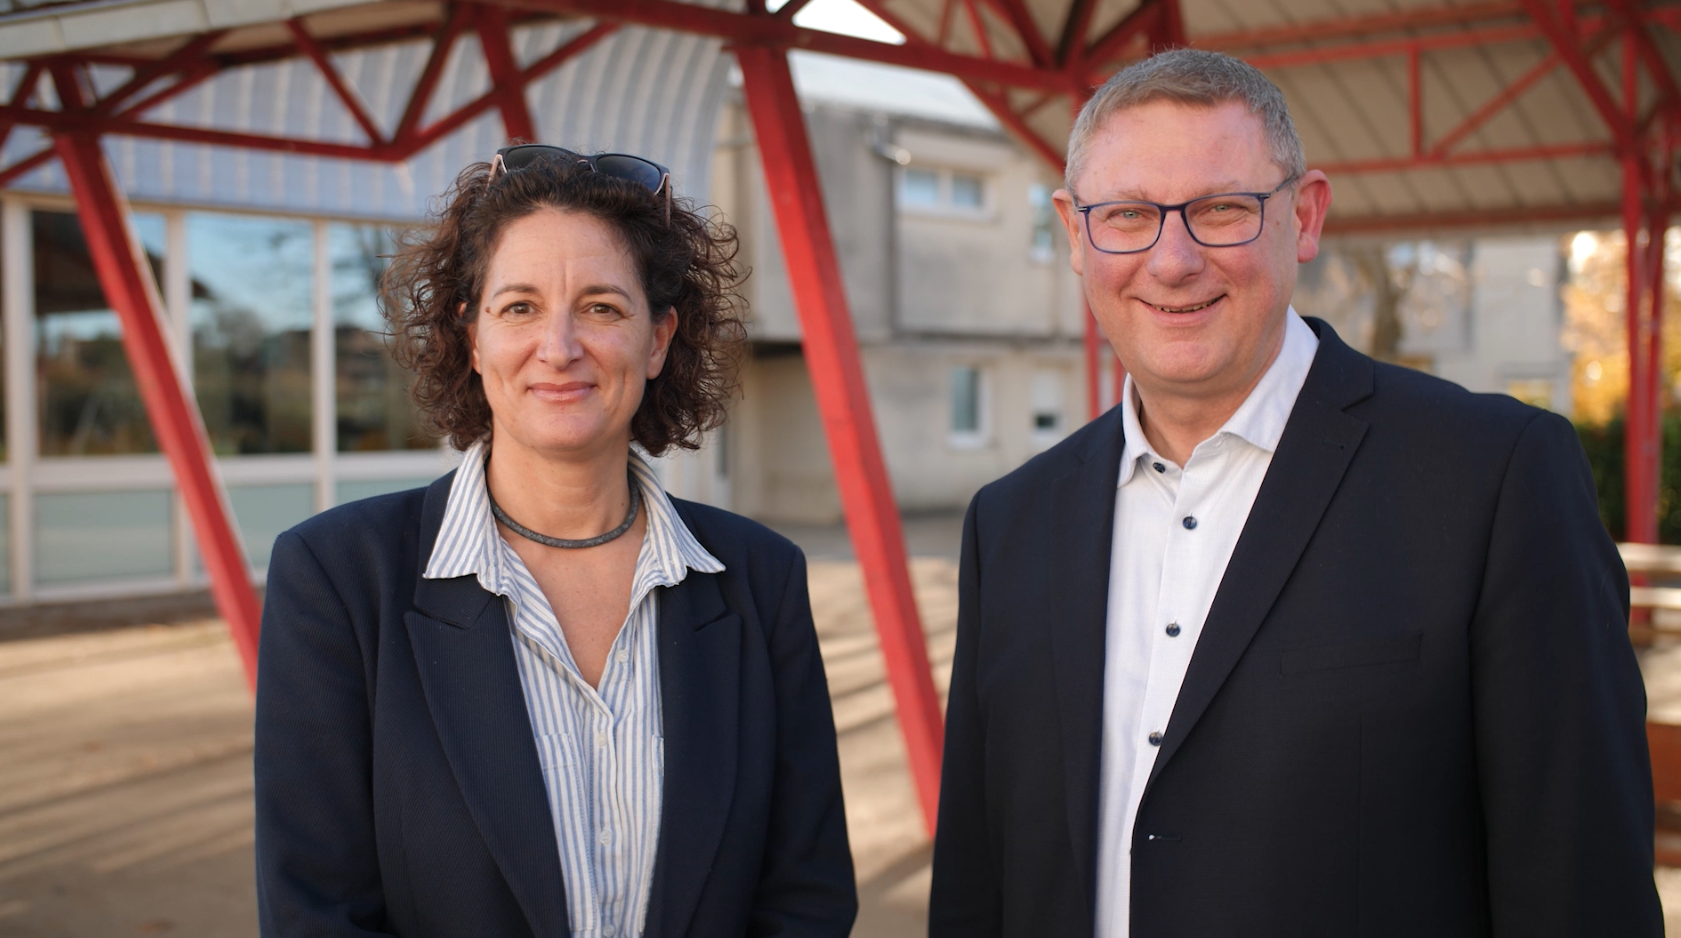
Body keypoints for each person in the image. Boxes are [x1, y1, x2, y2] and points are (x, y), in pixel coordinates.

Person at [928, 49, 1661, 938]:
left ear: (1304, 215)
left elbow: (1580, 889)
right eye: (1126, 216)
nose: (1171, 260)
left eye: (1221, 210)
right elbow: (976, 884)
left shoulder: (1492, 476)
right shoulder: (1009, 524)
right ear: (1075, 234)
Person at [254, 146, 856, 938]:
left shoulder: (759, 578)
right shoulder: (336, 578)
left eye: (602, 307)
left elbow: (804, 896)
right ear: (471, 338)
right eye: (520, 307)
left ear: (658, 339)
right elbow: (316, 912)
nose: (560, 346)